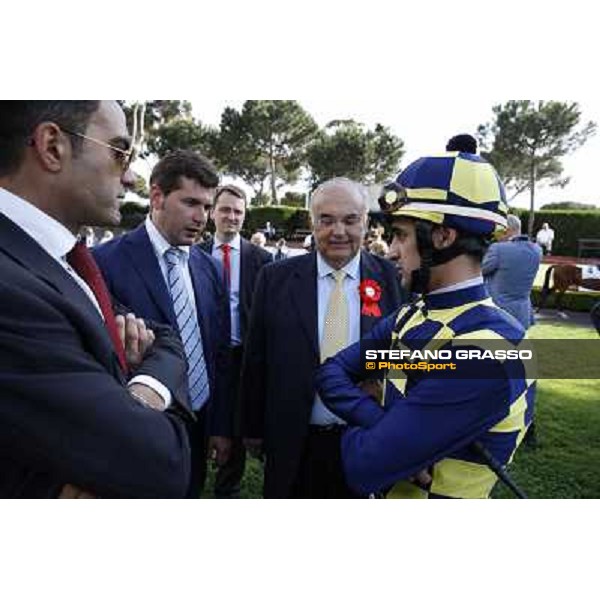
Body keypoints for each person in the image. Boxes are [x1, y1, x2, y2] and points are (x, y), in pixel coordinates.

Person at [316, 151, 535, 499]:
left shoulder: (489, 351)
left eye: (400, 236)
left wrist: (380, 436)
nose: (390, 251)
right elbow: (331, 372)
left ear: (443, 237)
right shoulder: (411, 314)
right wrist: (382, 424)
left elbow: (364, 465)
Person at [0, 101, 191, 498]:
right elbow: (158, 459)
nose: (132, 177)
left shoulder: (63, 261)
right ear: (53, 146)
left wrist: (140, 393)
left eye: (354, 219)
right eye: (120, 152)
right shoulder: (12, 287)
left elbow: (168, 339)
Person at [241, 177, 405, 498]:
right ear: (312, 223)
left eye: (350, 220)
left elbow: (405, 355)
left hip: (366, 438)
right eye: (326, 220)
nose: (338, 231)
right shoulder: (274, 278)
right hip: (293, 440)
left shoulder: (394, 279)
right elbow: (256, 357)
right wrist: (251, 428)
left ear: (366, 223)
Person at [93, 149, 232, 497]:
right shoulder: (104, 263)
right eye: (190, 203)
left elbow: (219, 351)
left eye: (206, 206)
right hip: (137, 430)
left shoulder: (210, 268)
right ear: (157, 196)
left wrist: (221, 424)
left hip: (199, 427)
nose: (202, 217)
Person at [199, 184, 272, 498]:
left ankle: (228, 488)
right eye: (225, 210)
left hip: (243, 355)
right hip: (203, 355)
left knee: (238, 423)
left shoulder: (263, 259)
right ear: (212, 212)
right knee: (201, 419)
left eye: (238, 212)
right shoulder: (193, 253)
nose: (231, 217)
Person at [482, 214, 542, 329]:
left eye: (498, 232)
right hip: (523, 313)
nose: (496, 236)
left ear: (506, 230)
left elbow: (478, 272)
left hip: (498, 313)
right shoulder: (537, 250)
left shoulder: (498, 249)